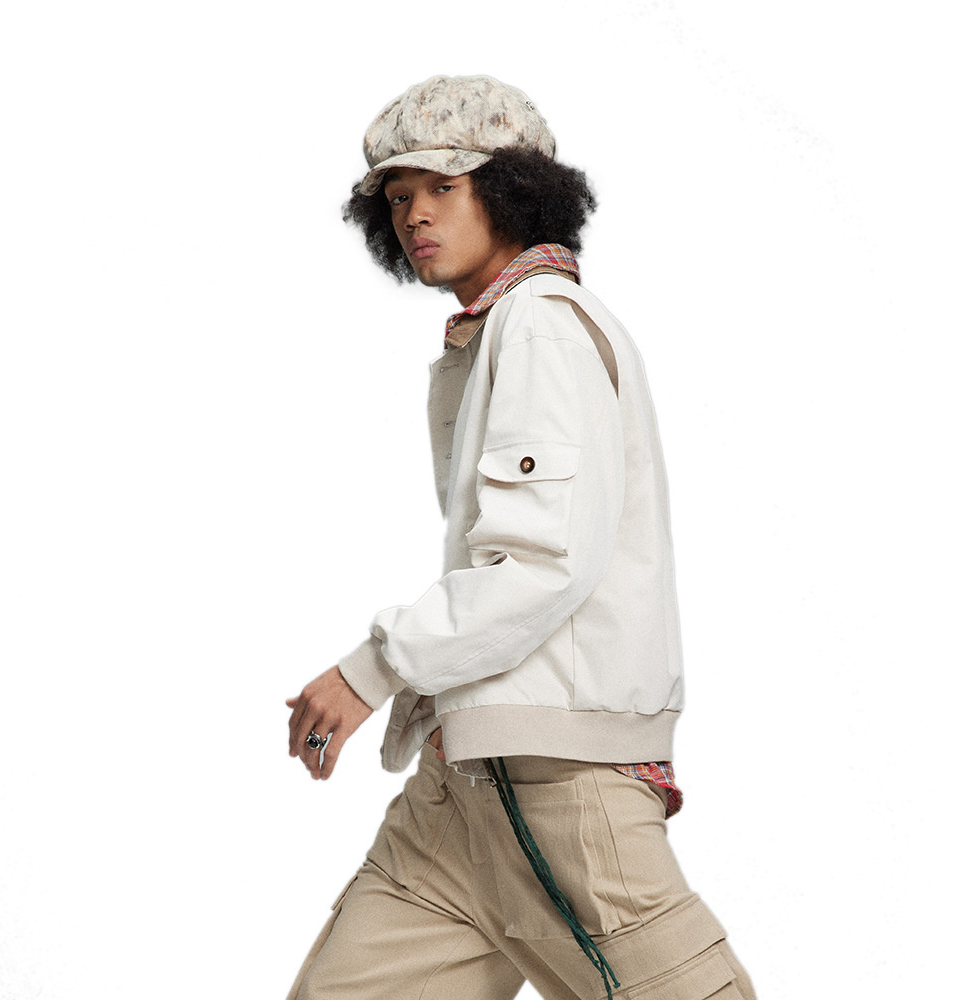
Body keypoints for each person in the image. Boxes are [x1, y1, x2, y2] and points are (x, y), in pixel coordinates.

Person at [285, 75, 756, 1000]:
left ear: (511, 189)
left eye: (442, 186)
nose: (416, 214)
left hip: (558, 787)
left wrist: (370, 670)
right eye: (398, 197)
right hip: (457, 798)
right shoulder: (496, 334)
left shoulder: (542, 329)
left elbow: (539, 565)